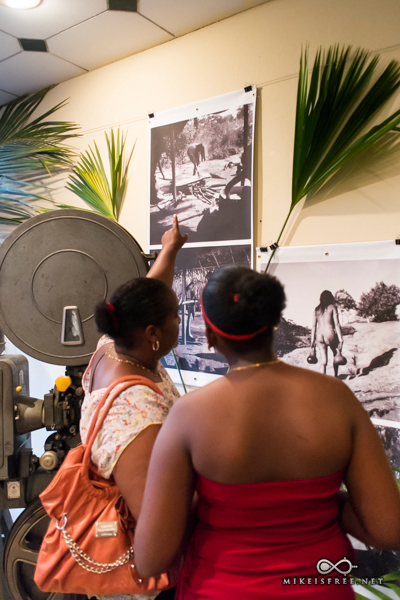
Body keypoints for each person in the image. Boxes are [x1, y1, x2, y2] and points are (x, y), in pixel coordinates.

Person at [134, 266, 400, 599]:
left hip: (221, 589)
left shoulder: (189, 415)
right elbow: (388, 529)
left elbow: (150, 560)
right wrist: (319, 503)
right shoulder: (337, 398)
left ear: (211, 336)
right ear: (274, 323)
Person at [79, 215, 187, 600]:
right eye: (175, 316)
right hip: (141, 582)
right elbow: (156, 522)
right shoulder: (136, 412)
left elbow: (151, 292)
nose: (180, 321)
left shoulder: (114, 344)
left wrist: (170, 249)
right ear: (153, 333)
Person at [310, 290, 344, 377]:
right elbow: (337, 324)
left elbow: (313, 326)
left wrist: (312, 340)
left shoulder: (316, 309)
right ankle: (335, 376)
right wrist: (341, 339)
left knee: (323, 361)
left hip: (319, 335)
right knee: (336, 355)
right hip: (330, 332)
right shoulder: (332, 307)